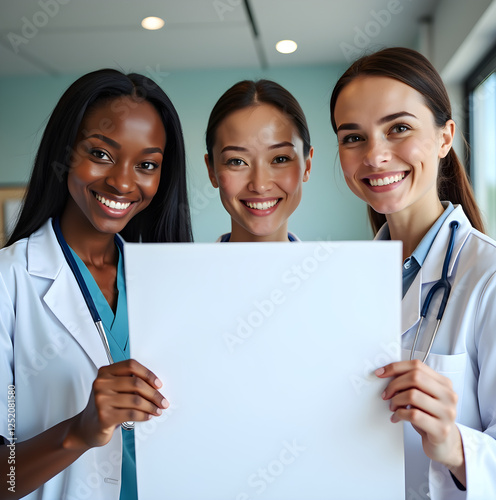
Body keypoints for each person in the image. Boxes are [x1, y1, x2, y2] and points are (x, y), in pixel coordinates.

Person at [0, 69, 192, 500]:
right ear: (65, 152)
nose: (123, 182)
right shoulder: (8, 283)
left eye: (146, 165)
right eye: (101, 154)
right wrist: (79, 431)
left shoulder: (168, 279)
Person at [330, 47, 496, 499]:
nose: (375, 156)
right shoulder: (338, 286)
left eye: (399, 128)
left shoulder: (491, 277)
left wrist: (453, 444)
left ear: (445, 137)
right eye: (353, 137)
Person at [205, 79, 313, 242]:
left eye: (280, 159)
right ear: (211, 171)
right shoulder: (183, 268)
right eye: (237, 162)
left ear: (307, 166)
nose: (259, 186)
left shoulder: (342, 268)